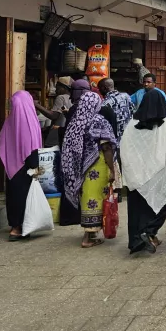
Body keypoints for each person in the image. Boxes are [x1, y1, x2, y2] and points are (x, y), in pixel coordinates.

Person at [120, 89, 166, 254]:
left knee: (136, 209)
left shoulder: (132, 123)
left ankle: (137, 240)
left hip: (136, 174)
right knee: (165, 202)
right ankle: (149, 232)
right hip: (159, 173)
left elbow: (124, 147)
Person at [61, 90, 117, 248]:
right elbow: (106, 147)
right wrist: (112, 170)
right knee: (96, 198)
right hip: (97, 166)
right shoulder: (98, 120)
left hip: (80, 169)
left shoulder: (76, 121)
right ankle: (88, 237)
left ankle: (90, 233)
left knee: (86, 197)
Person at [0, 91, 44, 241]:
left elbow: (2, 142)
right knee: (25, 196)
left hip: (12, 166)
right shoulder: (31, 121)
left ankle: (15, 226)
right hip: (27, 167)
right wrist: (35, 167)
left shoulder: (9, 122)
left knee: (14, 195)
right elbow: (33, 147)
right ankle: (21, 227)